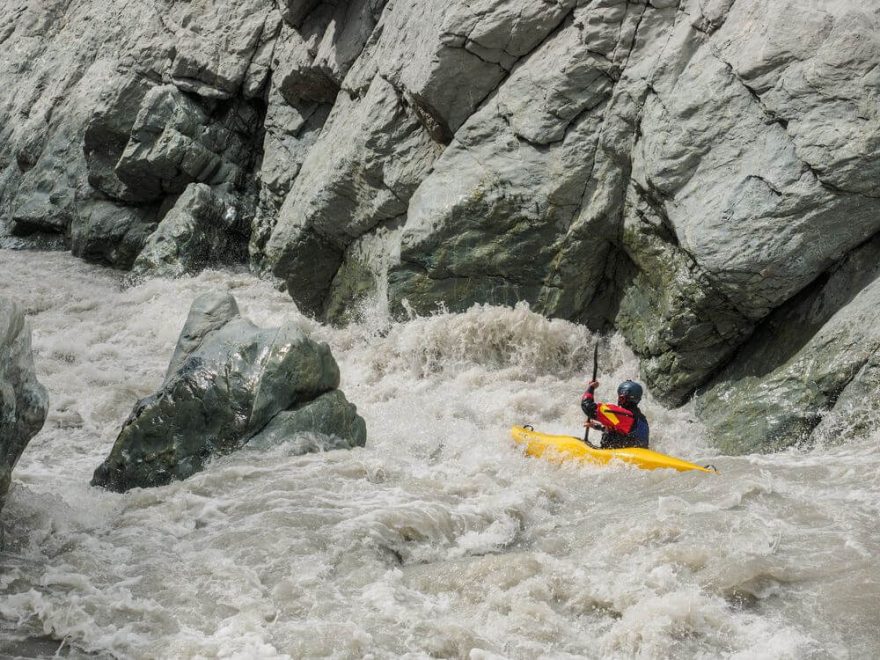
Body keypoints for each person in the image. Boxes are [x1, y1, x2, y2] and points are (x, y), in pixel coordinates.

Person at [581, 379, 650, 449]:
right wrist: (596, 426)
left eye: (620, 397)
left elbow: (588, 407)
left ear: (623, 398)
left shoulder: (624, 414)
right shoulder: (640, 417)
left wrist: (591, 388)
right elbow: (621, 432)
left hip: (618, 456)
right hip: (633, 455)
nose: (619, 399)